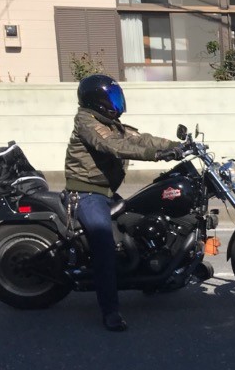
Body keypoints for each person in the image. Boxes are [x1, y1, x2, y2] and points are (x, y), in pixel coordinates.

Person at [64, 74, 183, 332]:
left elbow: (140, 139)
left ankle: (154, 278)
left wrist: (178, 146)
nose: (116, 103)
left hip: (106, 194)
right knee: (104, 245)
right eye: (112, 98)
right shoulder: (87, 121)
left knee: (143, 223)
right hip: (87, 194)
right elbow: (114, 146)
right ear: (97, 100)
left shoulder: (111, 123)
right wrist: (157, 154)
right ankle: (110, 311)